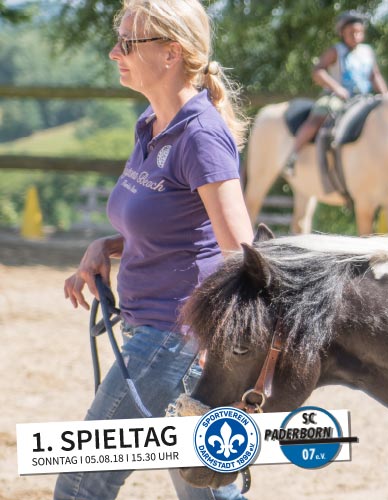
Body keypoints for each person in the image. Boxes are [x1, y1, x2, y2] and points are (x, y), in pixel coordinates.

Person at [58, 0, 253, 498]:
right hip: (160, 332)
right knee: (206, 489)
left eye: (128, 43)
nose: (113, 52)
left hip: (174, 337)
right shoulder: (151, 122)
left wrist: (222, 348)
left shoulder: (202, 136)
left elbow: (242, 253)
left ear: (171, 53)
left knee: (81, 483)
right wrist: (107, 244)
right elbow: (174, 225)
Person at [285, 11, 388, 173]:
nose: (356, 36)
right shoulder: (336, 51)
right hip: (337, 97)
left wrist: (386, 97)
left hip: (363, 98)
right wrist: (337, 88)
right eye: (351, 33)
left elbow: (375, 76)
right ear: (342, 33)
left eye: (359, 32)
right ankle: (293, 155)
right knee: (320, 115)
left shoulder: (367, 52)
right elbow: (317, 71)